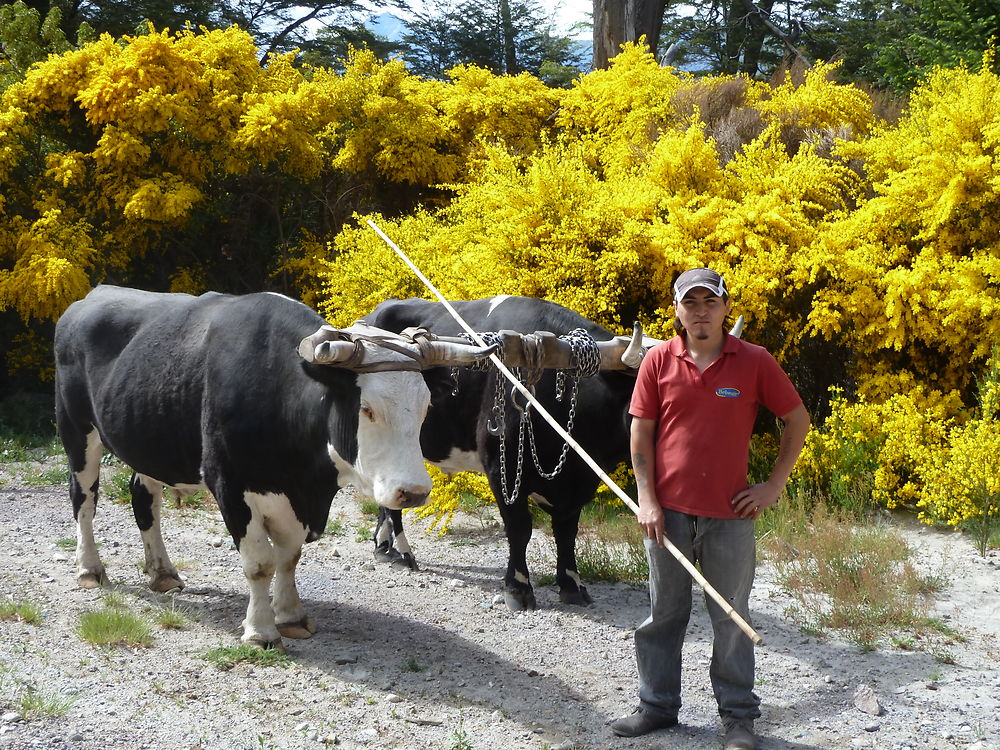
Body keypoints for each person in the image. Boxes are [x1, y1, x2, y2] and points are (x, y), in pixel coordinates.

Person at [610, 268, 811, 750]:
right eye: (690, 303)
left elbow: (797, 420)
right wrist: (647, 500)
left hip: (730, 518)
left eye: (710, 302)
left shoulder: (755, 361)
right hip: (667, 516)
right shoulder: (659, 360)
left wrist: (772, 486)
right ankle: (657, 706)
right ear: (677, 311)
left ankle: (738, 719)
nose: (700, 311)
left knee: (732, 617)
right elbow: (641, 434)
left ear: (724, 308)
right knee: (663, 614)